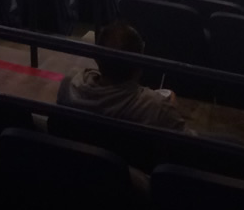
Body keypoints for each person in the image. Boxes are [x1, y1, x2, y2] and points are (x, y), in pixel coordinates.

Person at [55, 20, 188, 131]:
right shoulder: (157, 108)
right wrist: (169, 108)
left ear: (96, 58)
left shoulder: (70, 84)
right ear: (139, 65)